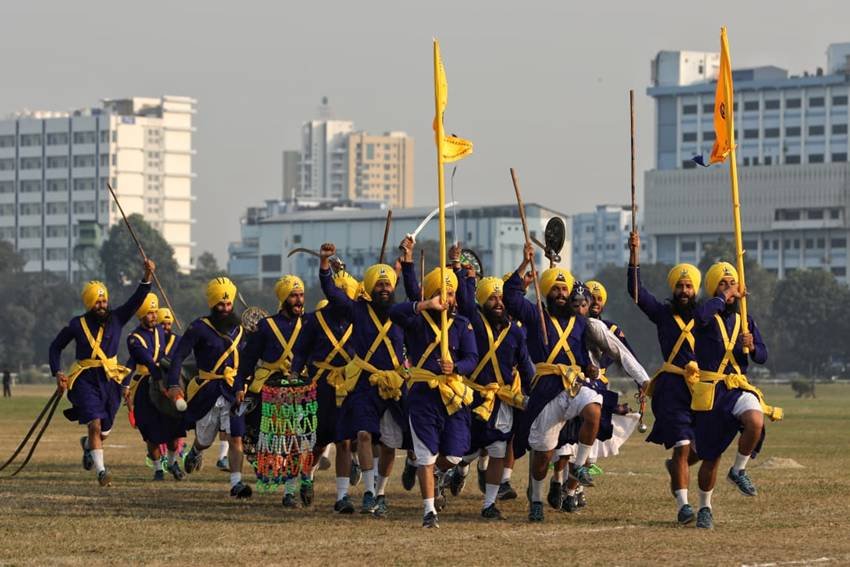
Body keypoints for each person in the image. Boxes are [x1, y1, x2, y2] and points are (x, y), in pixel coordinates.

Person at [504, 244, 602, 523]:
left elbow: (583, 357)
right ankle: (535, 499)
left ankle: (580, 466)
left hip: (572, 384)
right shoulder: (536, 316)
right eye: (556, 290)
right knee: (543, 456)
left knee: (594, 409)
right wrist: (525, 264)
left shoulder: (581, 323)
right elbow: (511, 297)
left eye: (564, 289)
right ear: (546, 292)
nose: (561, 294)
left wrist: (590, 369)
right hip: (546, 389)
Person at [691, 262, 782, 529]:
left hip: (737, 387)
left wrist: (752, 347)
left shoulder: (745, 319)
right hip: (712, 392)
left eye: (733, 283)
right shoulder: (706, 314)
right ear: (714, 289)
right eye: (723, 283)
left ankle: (739, 469)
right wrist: (723, 297)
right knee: (711, 458)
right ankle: (705, 507)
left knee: (755, 420)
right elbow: (701, 318)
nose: (730, 288)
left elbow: (762, 357)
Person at [49, 258, 155, 486]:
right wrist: (58, 372)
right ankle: (101, 471)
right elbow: (55, 347)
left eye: (104, 300)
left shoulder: (117, 318)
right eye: (97, 302)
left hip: (111, 380)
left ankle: (88, 446)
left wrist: (147, 276)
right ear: (89, 303)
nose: (102, 305)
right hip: (85, 380)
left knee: (104, 430)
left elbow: (137, 299)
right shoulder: (76, 325)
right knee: (94, 424)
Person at [319, 243, 407, 516]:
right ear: (370, 288)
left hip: (393, 385)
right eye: (378, 285)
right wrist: (325, 265)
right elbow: (332, 293)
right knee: (363, 435)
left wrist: (407, 265)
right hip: (364, 383)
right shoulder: (357, 311)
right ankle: (368, 493)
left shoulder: (402, 312)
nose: (383, 289)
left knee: (390, 446)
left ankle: (381, 492)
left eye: (388, 285)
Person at [390, 267, 478, 528]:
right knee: (426, 455)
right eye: (441, 293)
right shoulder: (416, 321)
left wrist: (458, 368)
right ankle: (429, 511)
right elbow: (393, 312)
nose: (447, 298)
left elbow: (472, 358)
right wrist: (425, 304)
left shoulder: (462, 324)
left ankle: (439, 474)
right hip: (422, 396)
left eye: (450, 293)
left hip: (452, 394)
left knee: (453, 454)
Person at [627, 232, 703, 525]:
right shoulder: (662, 314)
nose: (684, 290)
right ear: (674, 288)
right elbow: (636, 293)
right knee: (683, 445)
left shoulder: (707, 317)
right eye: (680, 286)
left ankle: (675, 467)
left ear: (695, 290)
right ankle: (684, 506)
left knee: (702, 448)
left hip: (701, 391)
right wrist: (634, 255)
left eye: (688, 286)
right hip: (671, 390)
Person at [449, 271, 534, 520]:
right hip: (471, 397)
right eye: (492, 298)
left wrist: (536, 391)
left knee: (498, 449)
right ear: (483, 301)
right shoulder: (472, 323)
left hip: (502, 401)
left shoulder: (516, 333)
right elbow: (465, 299)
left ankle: (488, 504)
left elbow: (526, 366)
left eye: (501, 298)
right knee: (462, 452)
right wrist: (462, 273)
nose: (498, 302)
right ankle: (444, 476)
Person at [166, 277, 251, 498]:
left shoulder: (242, 330)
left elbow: (248, 361)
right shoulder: (198, 328)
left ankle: (236, 484)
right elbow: (178, 357)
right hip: (208, 390)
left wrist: (246, 384)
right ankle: (195, 451)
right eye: (220, 305)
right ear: (212, 305)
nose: (225, 309)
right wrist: (174, 383)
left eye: (228, 304)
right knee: (205, 439)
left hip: (234, 390)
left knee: (236, 437)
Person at [290, 272, 359, 510]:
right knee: (317, 443)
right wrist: (295, 373)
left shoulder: (357, 320)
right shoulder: (313, 320)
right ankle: (307, 475)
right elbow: (300, 351)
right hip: (319, 387)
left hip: (347, 387)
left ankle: (342, 497)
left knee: (344, 442)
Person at [238, 275, 310, 507]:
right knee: (277, 442)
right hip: (270, 388)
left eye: (300, 295)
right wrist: (240, 385)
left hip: (301, 389)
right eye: (293, 295)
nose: (299, 300)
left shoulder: (309, 324)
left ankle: (292, 491)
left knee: (298, 442)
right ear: (283, 298)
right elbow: (248, 360)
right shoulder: (266, 326)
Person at [125, 293, 186, 481]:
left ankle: (172, 462)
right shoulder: (134, 339)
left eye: (154, 312)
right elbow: (146, 362)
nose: (154, 316)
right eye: (149, 313)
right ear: (142, 314)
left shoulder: (160, 330)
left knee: (174, 428)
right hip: (145, 384)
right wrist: (125, 384)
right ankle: (158, 469)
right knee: (150, 431)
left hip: (164, 381)